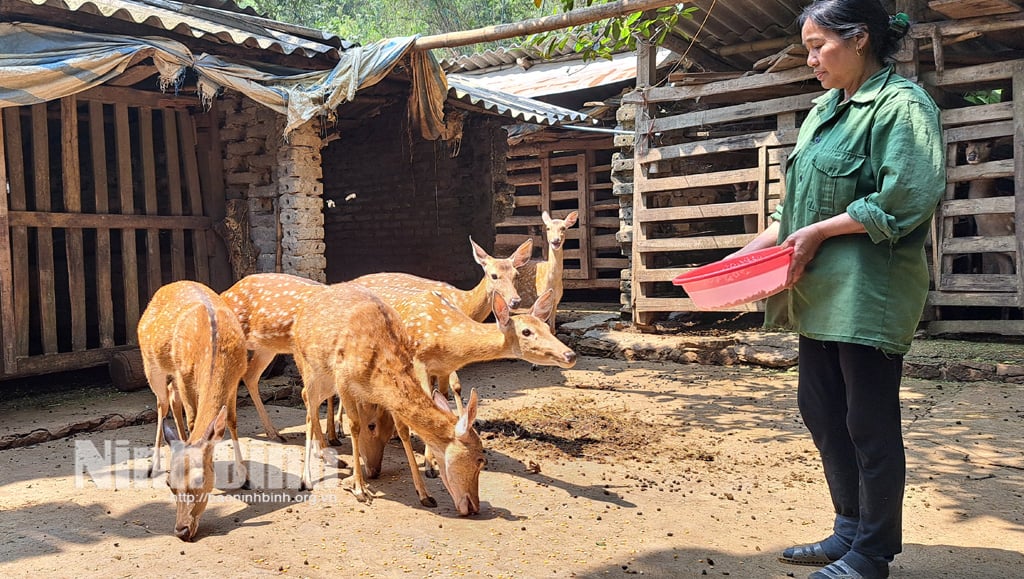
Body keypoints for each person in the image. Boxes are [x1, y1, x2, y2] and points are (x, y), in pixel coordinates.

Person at [732, 1, 946, 578]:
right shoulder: (826, 108)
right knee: (822, 409)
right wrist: (746, 255)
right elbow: (797, 208)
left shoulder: (903, 106)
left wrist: (824, 230)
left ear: (861, 39)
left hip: (869, 290)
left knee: (868, 421)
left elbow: (909, 195)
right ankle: (848, 528)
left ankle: (872, 553)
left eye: (819, 45)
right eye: (807, 47)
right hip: (819, 291)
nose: (810, 60)